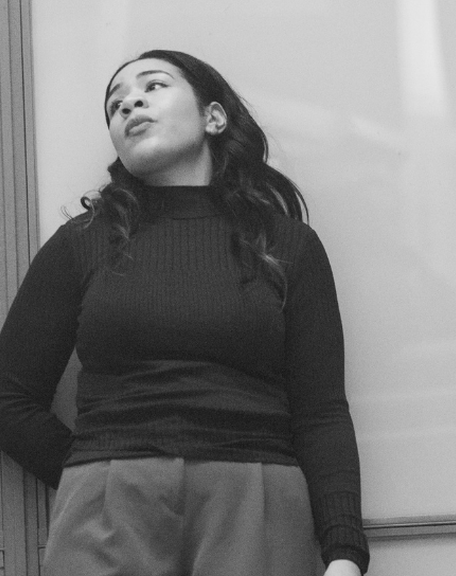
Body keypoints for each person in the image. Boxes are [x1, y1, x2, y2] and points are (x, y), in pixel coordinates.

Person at [0, 49, 369, 576]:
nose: (129, 102)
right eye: (114, 104)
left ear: (213, 117)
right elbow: (8, 397)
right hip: (108, 506)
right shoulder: (81, 244)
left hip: (256, 498)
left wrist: (344, 551)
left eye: (152, 86)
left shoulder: (288, 244)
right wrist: (98, 471)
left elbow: (322, 412)